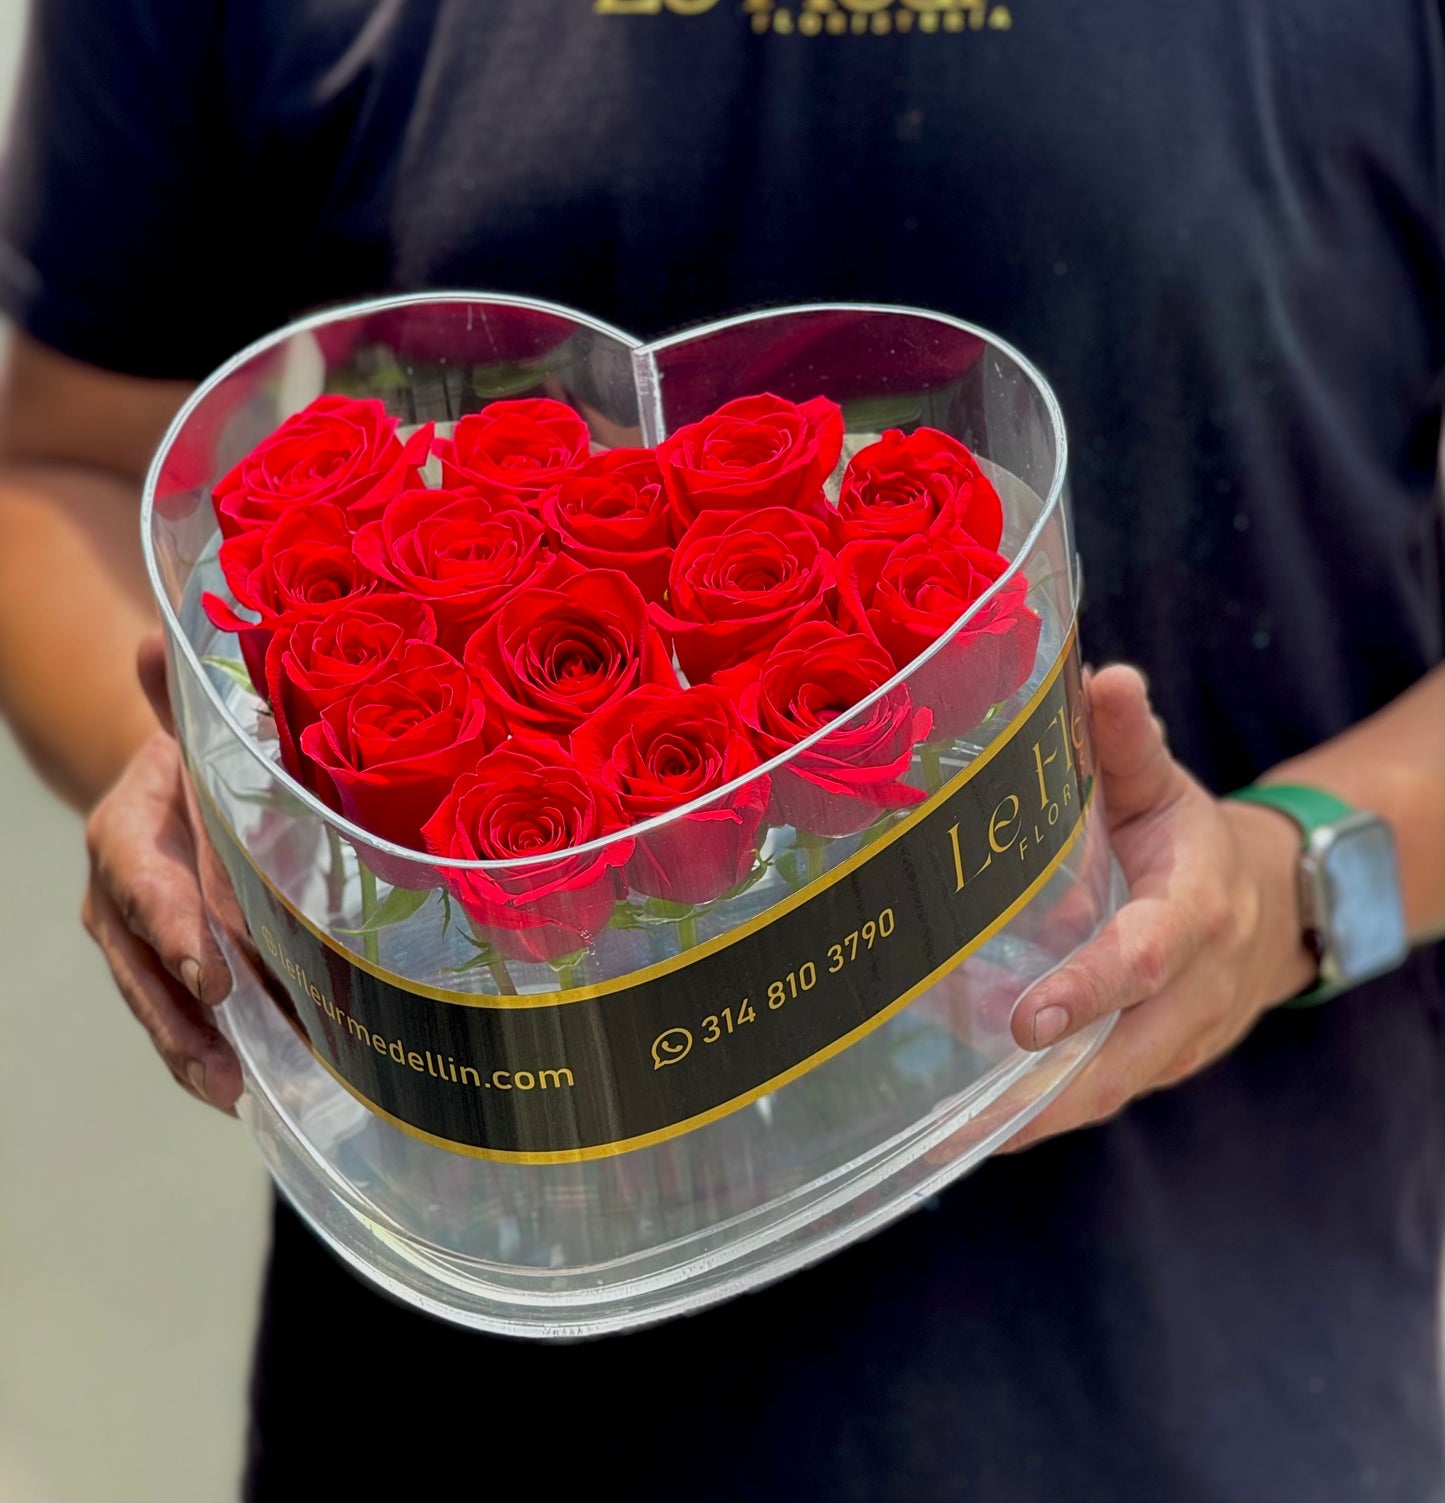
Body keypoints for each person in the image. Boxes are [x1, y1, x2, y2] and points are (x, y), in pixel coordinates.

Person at [0, 2, 1441, 1499]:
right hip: (464, 1373)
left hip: (1205, 1372)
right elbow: (66, 463)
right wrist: (223, 805)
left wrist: (1295, 886)